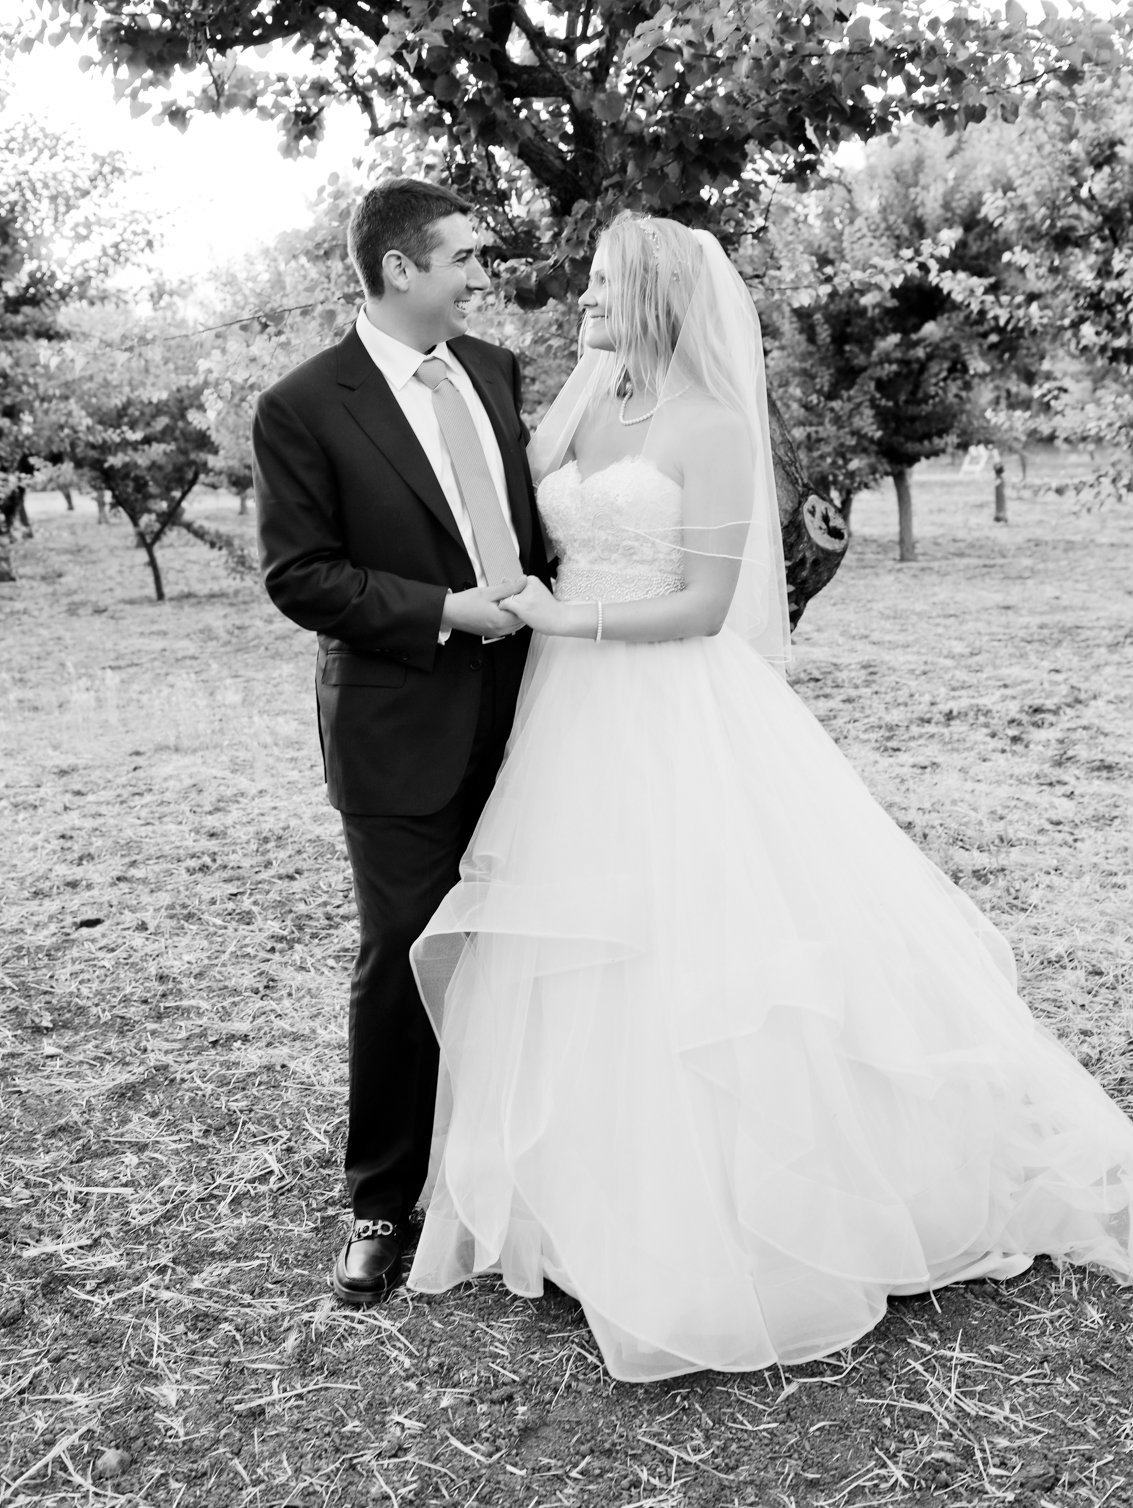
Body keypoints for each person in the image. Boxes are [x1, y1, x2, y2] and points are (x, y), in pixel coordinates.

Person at [405, 212, 1133, 1382]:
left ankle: (737, 1211)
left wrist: (567, 615)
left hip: (666, 700)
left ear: (647, 292)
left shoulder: (711, 424)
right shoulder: (584, 404)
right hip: (564, 710)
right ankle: (592, 1195)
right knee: (583, 940)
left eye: (599, 282)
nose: (579, 299)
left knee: (695, 937)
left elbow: (700, 603)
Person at [252, 179, 546, 1305]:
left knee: (521, 942)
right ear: (396, 271)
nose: (479, 274)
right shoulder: (303, 405)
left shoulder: (495, 371)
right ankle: (383, 1195)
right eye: (463, 256)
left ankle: (515, 1165)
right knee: (404, 954)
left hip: (531, 709)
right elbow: (299, 573)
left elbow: (529, 526)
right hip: (396, 725)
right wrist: (441, 607)